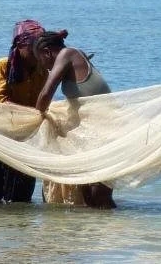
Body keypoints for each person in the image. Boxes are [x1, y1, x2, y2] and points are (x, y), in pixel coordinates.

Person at [34, 30, 116, 209]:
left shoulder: (67, 54)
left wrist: (33, 119)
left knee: (99, 195)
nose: (44, 66)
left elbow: (46, 92)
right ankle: (102, 226)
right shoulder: (77, 55)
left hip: (102, 131)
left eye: (41, 60)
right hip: (95, 132)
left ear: (47, 52)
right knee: (89, 196)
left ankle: (119, 225)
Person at [0, 20, 48, 203]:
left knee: (21, 200)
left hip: (25, 141)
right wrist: (35, 114)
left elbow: (42, 103)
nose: (38, 54)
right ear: (20, 46)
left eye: (41, 49)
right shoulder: (2, 66)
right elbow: (2, 102)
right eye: (33, 49)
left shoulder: (43, 71)